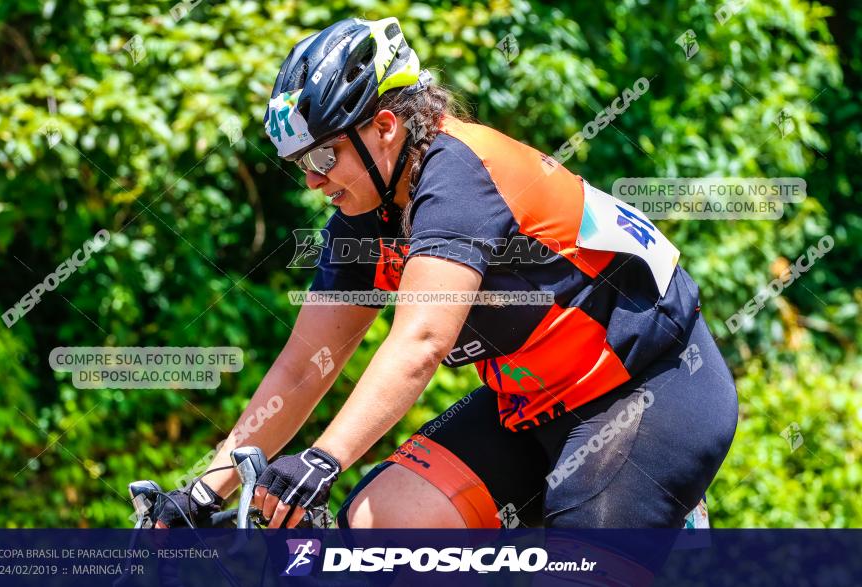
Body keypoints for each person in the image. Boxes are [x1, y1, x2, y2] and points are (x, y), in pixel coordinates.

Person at [153, 16, 738, 530]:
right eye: (302, 164)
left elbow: (421, 341)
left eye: (324, 156)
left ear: (386, 126)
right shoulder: (364, 214)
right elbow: (305, 364)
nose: (312, 179)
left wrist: (323, 458)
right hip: (530, 407)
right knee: (380, 527)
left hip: (648, 389)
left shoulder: (457, 175)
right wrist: (206, 491)